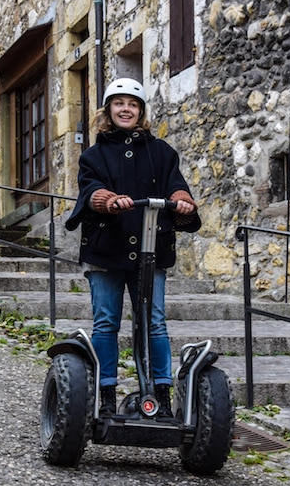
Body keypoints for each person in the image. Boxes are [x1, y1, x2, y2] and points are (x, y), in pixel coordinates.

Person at [65, 78, 201, 418]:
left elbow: (176, 187)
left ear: (140, 112)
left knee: (154, 323)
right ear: (109, 110)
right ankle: (106, 396)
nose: (126, 109)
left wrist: (182, 202)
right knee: (106, 322)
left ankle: (161, 397)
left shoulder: (162, 153)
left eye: (133, 104)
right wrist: (108, 200)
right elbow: (90, 190)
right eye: (119, 103)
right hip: (106, 251)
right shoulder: (93, 156)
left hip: (150, 250)